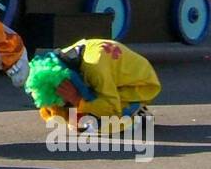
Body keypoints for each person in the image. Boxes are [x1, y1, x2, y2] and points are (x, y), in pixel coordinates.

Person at [24, 39, 161, 124]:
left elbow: (111, 106)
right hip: (104, 77)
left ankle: (136, 110)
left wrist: (77, 100)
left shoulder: (96, 69)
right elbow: (53, 111)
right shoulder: (61, 61)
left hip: (139, 83)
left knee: (103, 124)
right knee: (78, 120)